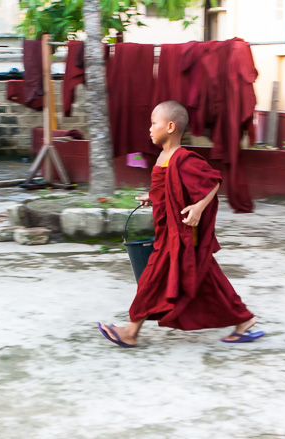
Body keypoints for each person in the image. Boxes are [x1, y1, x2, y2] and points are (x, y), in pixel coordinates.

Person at [98, 100, 264, 347]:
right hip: (168, 231)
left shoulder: (183, 158)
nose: (150, 129)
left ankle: (131, 331)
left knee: (151, 279)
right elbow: (166, 189)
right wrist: (151, 196)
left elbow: (213, 181)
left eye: (155, 123)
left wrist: (198, 207)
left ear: (171, 126)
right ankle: (244, 320)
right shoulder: (164, 156)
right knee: (208, 280)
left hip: (180, 234)